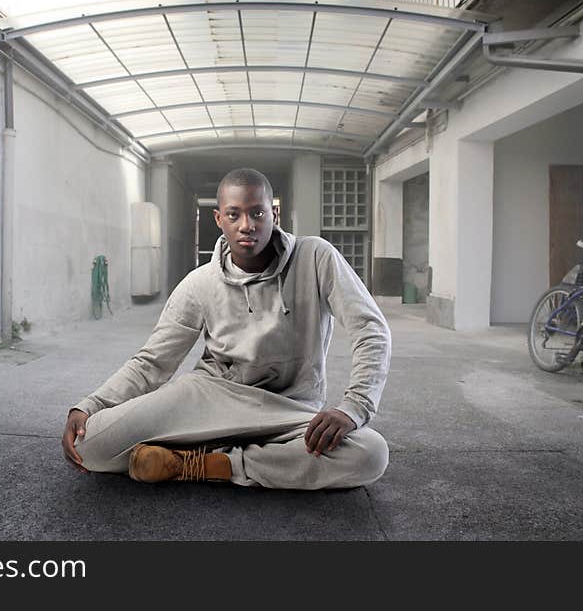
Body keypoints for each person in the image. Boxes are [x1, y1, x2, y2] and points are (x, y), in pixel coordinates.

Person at [62, 168, 391, 489]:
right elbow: (153, 362)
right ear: (218, 219)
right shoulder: (200, 282)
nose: (247, 225)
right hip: (209, 398)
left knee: (370, 453)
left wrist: (354, 407)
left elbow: (370, 328)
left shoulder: (316, 257)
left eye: (257, 213)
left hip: (288, 410)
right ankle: (242, 459)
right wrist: (90, 405)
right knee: (89, 445)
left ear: (274, 214)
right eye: (234, 215)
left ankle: (211, 464)